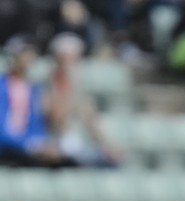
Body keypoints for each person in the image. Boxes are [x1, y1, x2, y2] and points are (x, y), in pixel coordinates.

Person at [44, 33, 122, 167]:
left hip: (75, 143)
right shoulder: (48, 87)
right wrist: (72, 90)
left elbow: (91, 120)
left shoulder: (77, 88)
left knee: (114, 161)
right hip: (56, 142)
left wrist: (107, 146)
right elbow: (57, 120)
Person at [0, 36, 77, 168]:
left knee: (71, 162)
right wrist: (31, 145)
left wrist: (43, 144)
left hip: (28, 147)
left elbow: (38, 125)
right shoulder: (3, 87)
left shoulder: (34, 90)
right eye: (23, 55)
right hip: (9, 147)